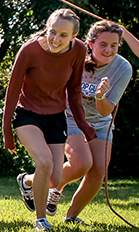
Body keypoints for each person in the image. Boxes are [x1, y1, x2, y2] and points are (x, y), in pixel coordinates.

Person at [18, 21, 132, 226]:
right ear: (90, 43)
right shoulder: (75, 56)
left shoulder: (123, 68)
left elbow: (106, 110)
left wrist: (99, 96)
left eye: (114, 45)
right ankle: (28, 181)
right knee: (81, 163)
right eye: (103, 44)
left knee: (99, 171)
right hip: (71, 117)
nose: (109, 50)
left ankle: (71, 216)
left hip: (101, 122)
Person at [2, 8, 97, 231]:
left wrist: (83, 124)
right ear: (46, 28)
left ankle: (26, 181)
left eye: (63, 35)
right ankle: (41, 219)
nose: (55, 39)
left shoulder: (79, 50)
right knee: (44, 162)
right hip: (27, 114)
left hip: (56, 116)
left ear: (74, 36)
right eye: (51, 32)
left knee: (54, 177)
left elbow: (74, 90)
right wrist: (7, 130)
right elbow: (13, 90)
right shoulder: (30, 50)